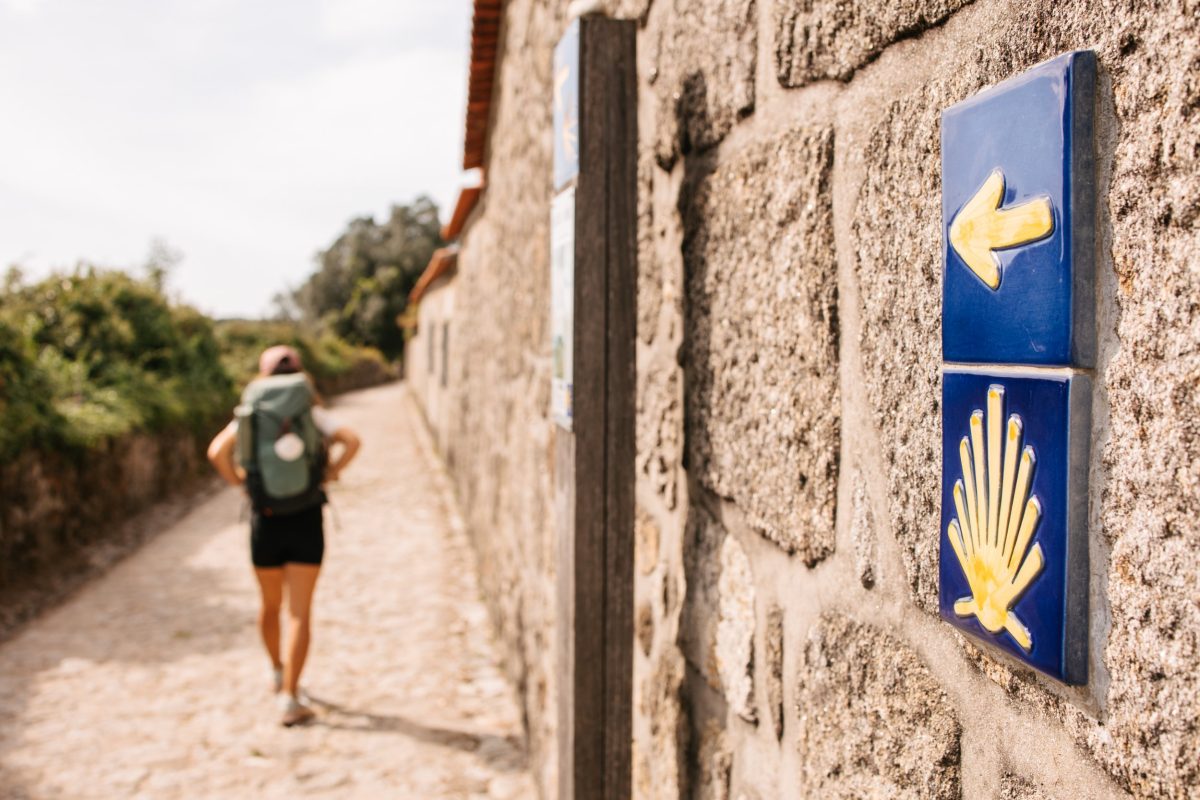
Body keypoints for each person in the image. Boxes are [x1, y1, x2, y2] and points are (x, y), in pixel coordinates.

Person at [206, 345, 361, 726]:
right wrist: (330, 473)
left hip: (266, 518)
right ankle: (291, 696)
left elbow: (216, 452)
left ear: (262, 373)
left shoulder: (253, 409)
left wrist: (242, 484)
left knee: (269, 605)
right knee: (299, 612)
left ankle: (277, 671)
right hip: (306, 518)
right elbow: (352, 440)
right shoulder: (309, 408)